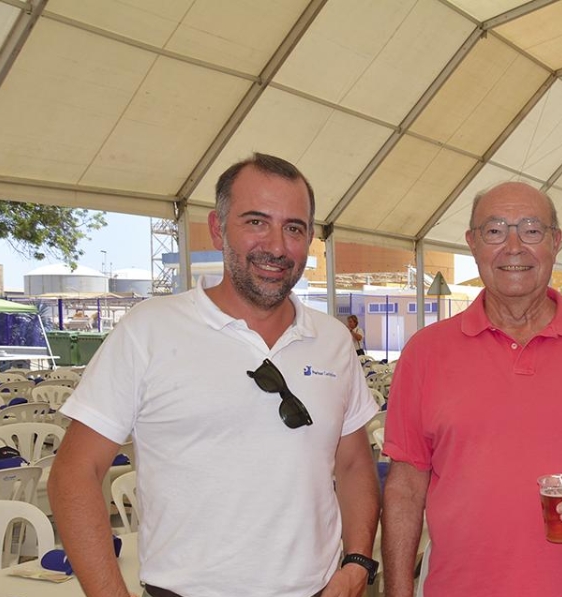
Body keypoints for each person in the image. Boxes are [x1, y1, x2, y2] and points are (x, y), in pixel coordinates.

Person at [49, 153, 381, 597]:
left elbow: (356, 463)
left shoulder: (333, 340)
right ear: (217, 228)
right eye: (256, 222)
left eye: (294, 228)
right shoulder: (149, 330)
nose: (278, 247)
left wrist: (357, 562)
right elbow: (74, 473)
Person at [381, 182, 562, 597]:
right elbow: (406, 487)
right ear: (473, 244)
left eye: (531, 230)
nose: (513, 247)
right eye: (495, 231)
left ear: (555, 241)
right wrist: (397, 591)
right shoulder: (425, 352)